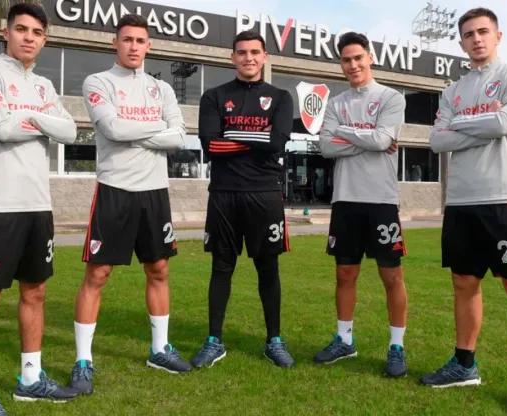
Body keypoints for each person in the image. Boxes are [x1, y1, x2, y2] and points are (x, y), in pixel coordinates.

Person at [422, 7, 507, 416]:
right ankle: (464, 365)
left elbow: (506, 123)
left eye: (483, 32)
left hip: (505, 198)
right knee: (463, 285)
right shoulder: (452, 91)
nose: (476, 39)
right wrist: (472, 125)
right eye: (469, 34)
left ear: (497, 36)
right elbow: (437, 141)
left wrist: (461, 128)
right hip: (461, 201)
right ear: (461, 43)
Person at [0, 3, 79, 415]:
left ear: (44, 39)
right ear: (6, 33)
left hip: (38, 206)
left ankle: (30, 379)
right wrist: (40, 119)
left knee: (37, 292)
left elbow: (71, 130)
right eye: (22, 29)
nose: (29, 37)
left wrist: (26, 115)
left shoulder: (45, 86)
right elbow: (1, 127)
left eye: (37, 32)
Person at [69, 13, 191, 393]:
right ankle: (83, 361)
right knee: (98, 275)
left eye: (140, 40)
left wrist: (137, 131)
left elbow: (180, 138)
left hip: (155, 192)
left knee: (158, 270)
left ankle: (159, 349)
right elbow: (112, 129)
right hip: (114, 190)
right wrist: (158, 128)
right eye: (127, 39)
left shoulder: (161, 89)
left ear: (148, 46)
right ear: (115, 43)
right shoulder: (98, 82)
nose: (134, 46)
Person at [190, 31, 295, 368]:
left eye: (254, 52)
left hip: (264, 194)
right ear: (231, 57)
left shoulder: (280, 97)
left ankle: (274, 340)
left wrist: (233, 137)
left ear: (264, 57)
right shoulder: (214, 96)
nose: (248, 58)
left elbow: (278, 142)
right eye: (241, 52)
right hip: (223, 194)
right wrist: (257, 140)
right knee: (221, 267)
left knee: (268, 268)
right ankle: (213, 340)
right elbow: (210, 144)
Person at [314, 32, 409, 377]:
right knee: (344, 273)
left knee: (392, 276)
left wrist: (349, 134)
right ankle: (344, 340)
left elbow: (384, 138)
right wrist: (368, 140)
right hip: (345, 200)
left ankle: (396, 347)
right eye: (345, 60)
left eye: (358, 58)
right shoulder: (337, 103)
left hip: (382, 201)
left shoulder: (391, 97)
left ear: (370, 57)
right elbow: (325, 147)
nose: (352, 65)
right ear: (340, 64)